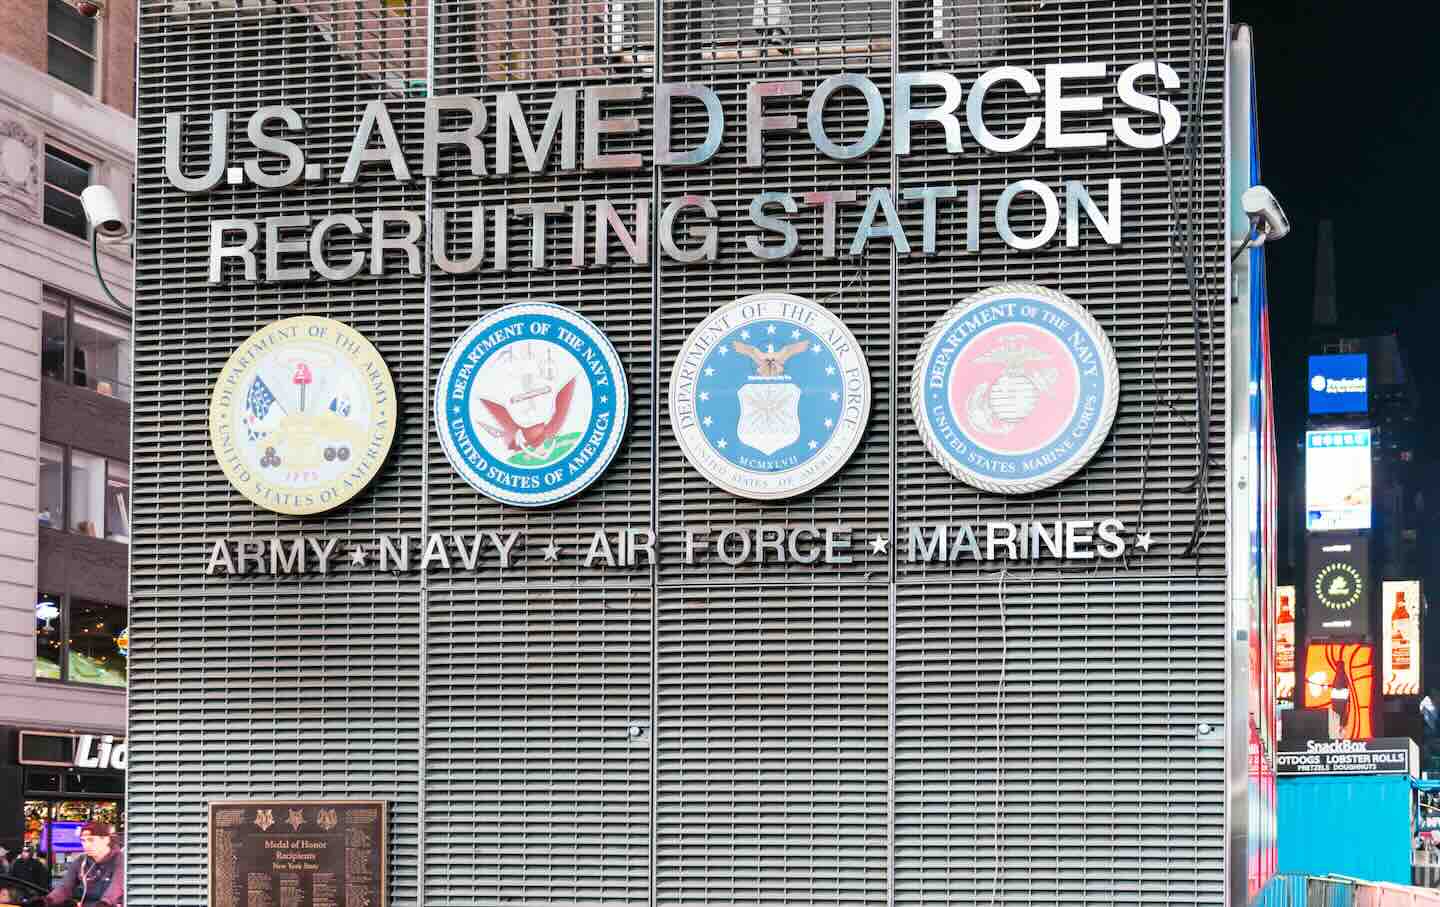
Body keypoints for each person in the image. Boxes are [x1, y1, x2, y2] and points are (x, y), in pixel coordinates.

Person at [22, 822, 121, 907]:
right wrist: (47, 901)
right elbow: (65, 887)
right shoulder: (81, 861)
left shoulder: (120, 860)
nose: (86, 845)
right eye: (83, 840)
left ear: (106, 840)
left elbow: (116, 888)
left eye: (91, 840)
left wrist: (105, 903)